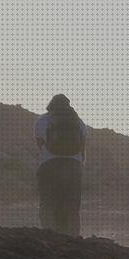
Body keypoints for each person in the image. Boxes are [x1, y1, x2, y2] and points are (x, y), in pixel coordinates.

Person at [33, 94, 87, 236]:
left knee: (48, 203)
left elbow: (40, 146)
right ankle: (73, 238)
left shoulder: (42, 120)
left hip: (49, 165)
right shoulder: (79, 122)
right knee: (72, 207)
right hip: (74, 167)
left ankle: (50, 236)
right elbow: (82, 149)